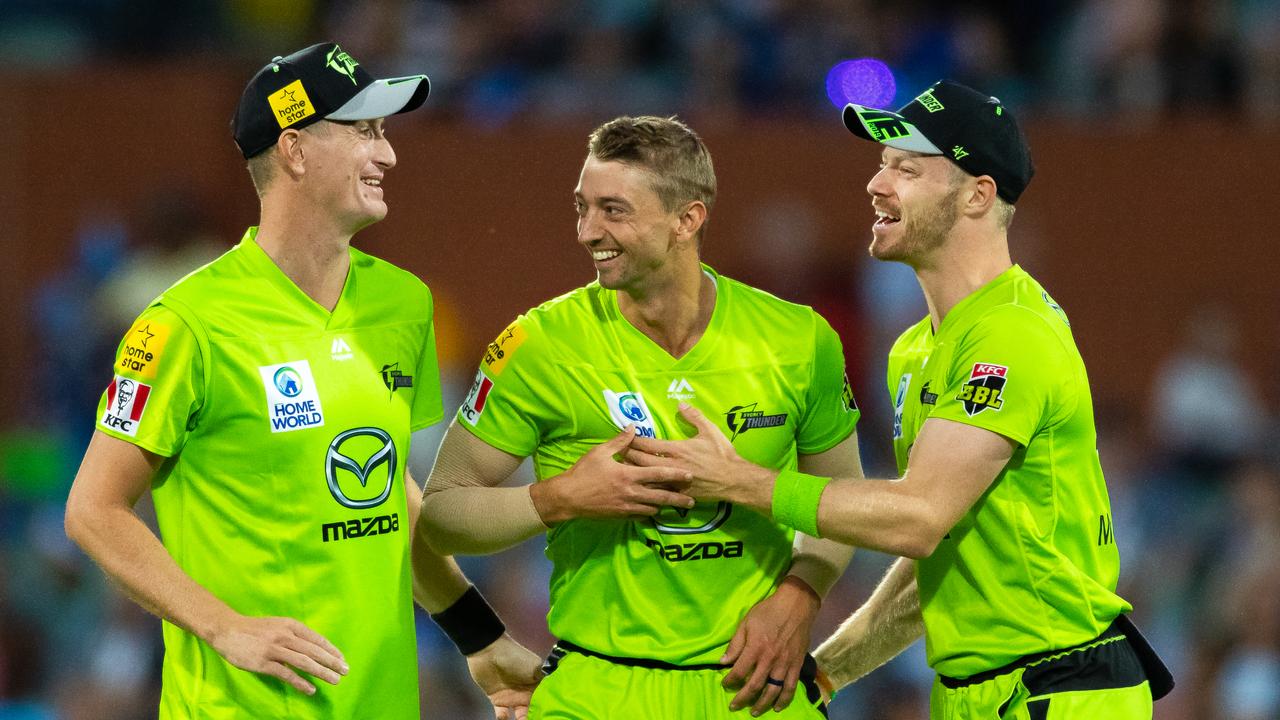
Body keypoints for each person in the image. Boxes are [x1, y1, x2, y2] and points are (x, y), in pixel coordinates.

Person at [625, 81, 1173, 718]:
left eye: (906, 169)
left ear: (978, 194)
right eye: (882, 165)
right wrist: (828, 671)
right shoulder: (915, 348)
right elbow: (938, 548)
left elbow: (918, 515)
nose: (877, 184)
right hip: (975, 692)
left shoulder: (1012, 334)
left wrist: (739, 480)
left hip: (1057, 688)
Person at [63, 43, 542, 720]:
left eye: (385, 134)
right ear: (295, 150)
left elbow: (381, 494)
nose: (389, 155)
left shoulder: (404, 305)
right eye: (364, 132)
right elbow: (93, 511)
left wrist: (480, 636)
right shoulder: (187, 324)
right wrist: (224, 625)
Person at [418, 115, 862, 719]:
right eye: (581, 207)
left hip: (755, 691)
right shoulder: (539, 344)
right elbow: (443, 510)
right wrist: (561, 498)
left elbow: (844, 501)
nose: (586, 231)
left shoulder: (799, 339)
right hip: (596, 690)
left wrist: (800, 595)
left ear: (688, 219)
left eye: (613, 210)